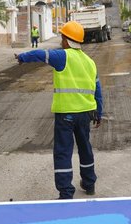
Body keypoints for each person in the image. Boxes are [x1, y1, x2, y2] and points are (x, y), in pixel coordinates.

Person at [16, 20, 104, 199]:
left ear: (66, 40)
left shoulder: (63, 56)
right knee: (85, 148)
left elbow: (40, 54)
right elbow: (98, 90)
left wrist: (22, 57)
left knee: (63, 151)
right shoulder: (90, 62)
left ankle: (66, 192)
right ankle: (89, 183)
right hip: (86, 113)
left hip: (66, 115)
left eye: (63, 37)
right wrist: (99, 112)